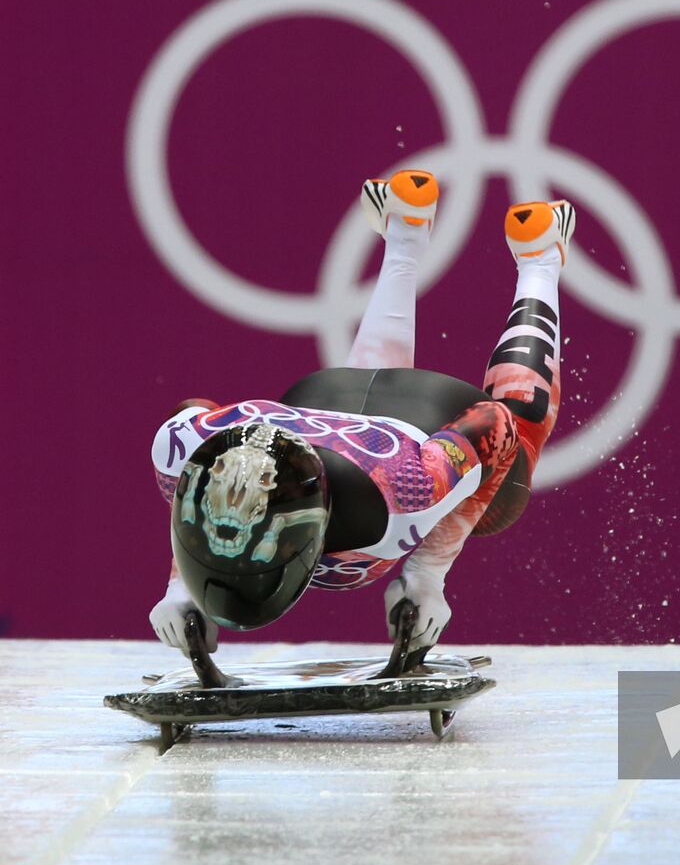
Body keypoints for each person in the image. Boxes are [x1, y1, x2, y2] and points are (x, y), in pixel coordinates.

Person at [149, 169, 576, 657]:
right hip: (324, 399)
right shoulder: (178, 451)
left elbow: (493, 425)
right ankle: (406, 228)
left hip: (418, 422)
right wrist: (181, 585)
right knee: (368, 431)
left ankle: (538, 261)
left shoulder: (406, 493)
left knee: (509, 452)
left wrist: (427, 575)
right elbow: (195, 420)